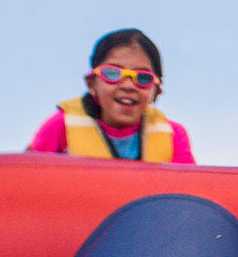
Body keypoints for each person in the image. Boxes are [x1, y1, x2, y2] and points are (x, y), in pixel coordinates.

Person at [28, 29, 197, 163]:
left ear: (156, 92)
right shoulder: (60, 126)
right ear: (91, 84)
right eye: (112, 73)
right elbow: (25, 180)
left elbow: (190, 196)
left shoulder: (174, 136)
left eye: (142, 78)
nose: (128, 85)